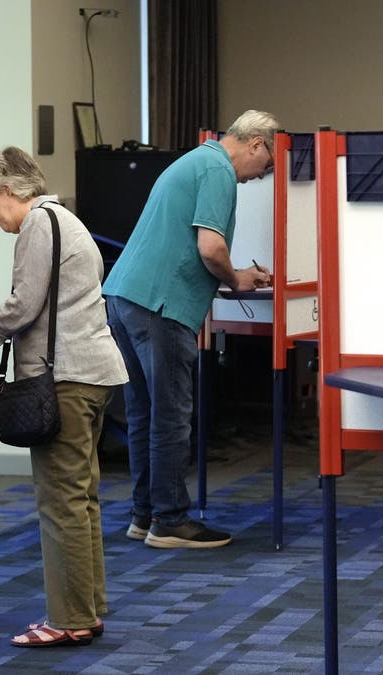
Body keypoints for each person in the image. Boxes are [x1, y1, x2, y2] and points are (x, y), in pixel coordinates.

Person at [0, 147, 127, 647]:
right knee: (82, 499)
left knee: (61, 503)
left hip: (66, 379)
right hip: (92, 375)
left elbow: (23, 305)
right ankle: (86, 609)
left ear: (9, 189)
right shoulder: (67, 220)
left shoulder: (38, 224)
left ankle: (70, 619)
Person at [102, 110, 279, 549]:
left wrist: (233, 272)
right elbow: (210, 245)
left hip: (126, 297)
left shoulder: (197, 159)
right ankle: (170, 520)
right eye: (269, 165)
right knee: (171, 416)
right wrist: (237, 278)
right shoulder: (219, 170)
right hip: (161, 305)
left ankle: (144, 515)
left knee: (143, 413)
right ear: (256, 144)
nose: (263, 176)